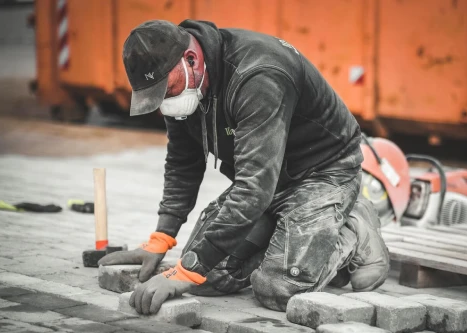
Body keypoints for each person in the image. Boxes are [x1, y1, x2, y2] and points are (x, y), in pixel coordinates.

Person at [98, 19, 390, 314]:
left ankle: (354, 225)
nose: (165, 104)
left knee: (278, 289)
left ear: (191, 59)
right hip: (266, 179)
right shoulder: (185, 85)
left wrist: (186, 272)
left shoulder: (258, 75)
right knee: (207, 277)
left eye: (167, 90)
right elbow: (182, 162)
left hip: (322, 172)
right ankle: (297, 234)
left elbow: (253, 189)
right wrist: (161, 238)